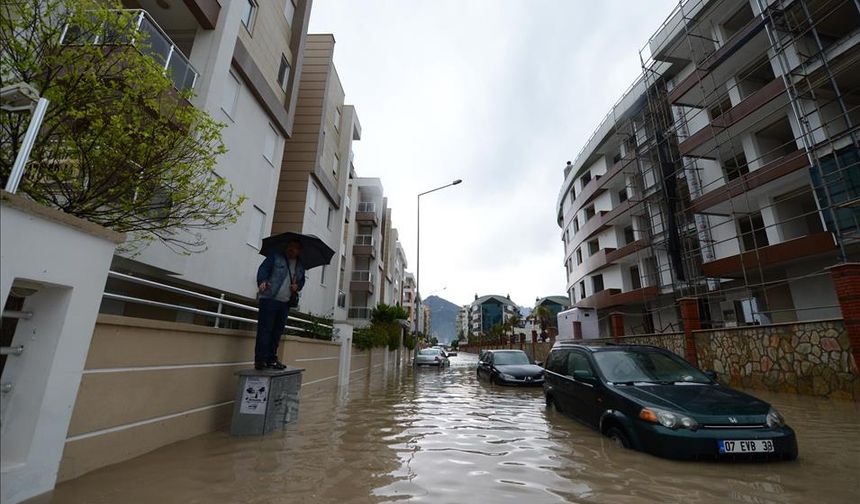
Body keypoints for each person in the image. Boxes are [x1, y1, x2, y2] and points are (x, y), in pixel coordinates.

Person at [255, 238, 305, 370]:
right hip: (270, 299)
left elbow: (302, 281)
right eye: (290, 246)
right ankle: (260, 360)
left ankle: (272, 359)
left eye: (295, 247)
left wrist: (297, 286)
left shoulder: (300, 266)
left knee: (277, 332)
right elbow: (263, 269)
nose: (291, 249)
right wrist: (262, 281)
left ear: (299, 251)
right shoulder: (275, 257)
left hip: (285, 303)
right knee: (265, 330)